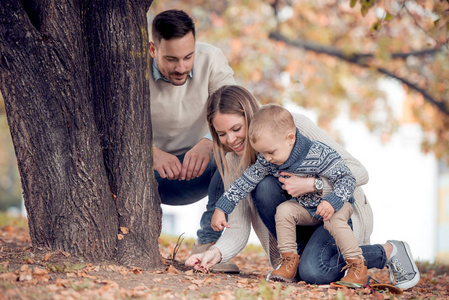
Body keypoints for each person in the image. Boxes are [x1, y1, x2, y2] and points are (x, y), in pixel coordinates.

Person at [186, 85, 420, 290]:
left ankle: (390, 251)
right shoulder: (233, 162)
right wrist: (214, 253)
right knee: (264, 186)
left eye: (237, 129)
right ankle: (295, 259)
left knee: (315, 271)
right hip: (293, 225)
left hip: (334, 213)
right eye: (221, 134)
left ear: (251, 117)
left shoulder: (293, 128)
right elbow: (237, 226)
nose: (231, 140)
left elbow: (357, 171)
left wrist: (314, 184)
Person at [210, 104, 367, 283]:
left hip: (336, 206)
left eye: (270, 152)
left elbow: (348, 178)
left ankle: (357, 266)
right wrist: (222, 207)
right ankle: (289, 261)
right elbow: (245, 181)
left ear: (290, 138)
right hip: (306, 209)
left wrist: (331, 200)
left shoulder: (319, 153)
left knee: (334, 220)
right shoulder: (268, 159)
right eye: (262, 153)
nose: (266, 158)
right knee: (285, 210)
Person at [149, 9, 238, 269]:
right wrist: (149, 153)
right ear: (153, 50)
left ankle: (207, 251)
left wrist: (210, 142)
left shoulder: (211, 59)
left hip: (198, 171)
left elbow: (236, 114)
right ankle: (140, 247)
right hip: (147, 174)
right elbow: (111, 129)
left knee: (235, 152)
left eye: (188, 56)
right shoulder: (132, 72)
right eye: (172, 59)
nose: (181, 67)